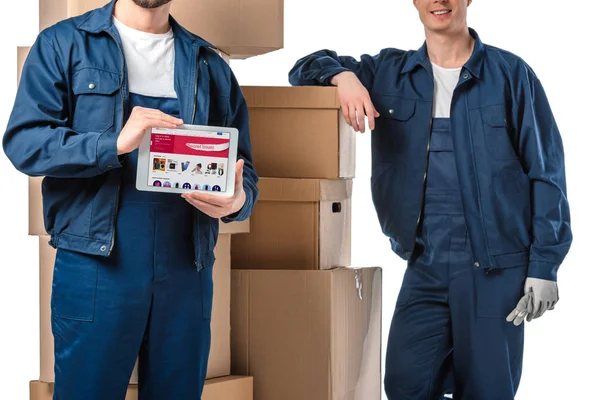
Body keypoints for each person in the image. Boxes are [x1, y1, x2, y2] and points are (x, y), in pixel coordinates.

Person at [289, 0, 572, 399]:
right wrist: (344, 78)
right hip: (427, 263)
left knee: (489, 389)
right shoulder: (390, 73)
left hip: (497, 267)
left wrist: (545, 266)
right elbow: (303, 68)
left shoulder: (510, 75)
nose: (438, 1)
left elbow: (547, 172)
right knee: (406, 382)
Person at [3, 0, 258, 398]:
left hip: (186, 268)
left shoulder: (209, 64)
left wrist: (238, 200)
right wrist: (113, 143)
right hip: (96, 265)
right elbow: (25, 143)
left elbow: (245, 169)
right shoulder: (65, 44)